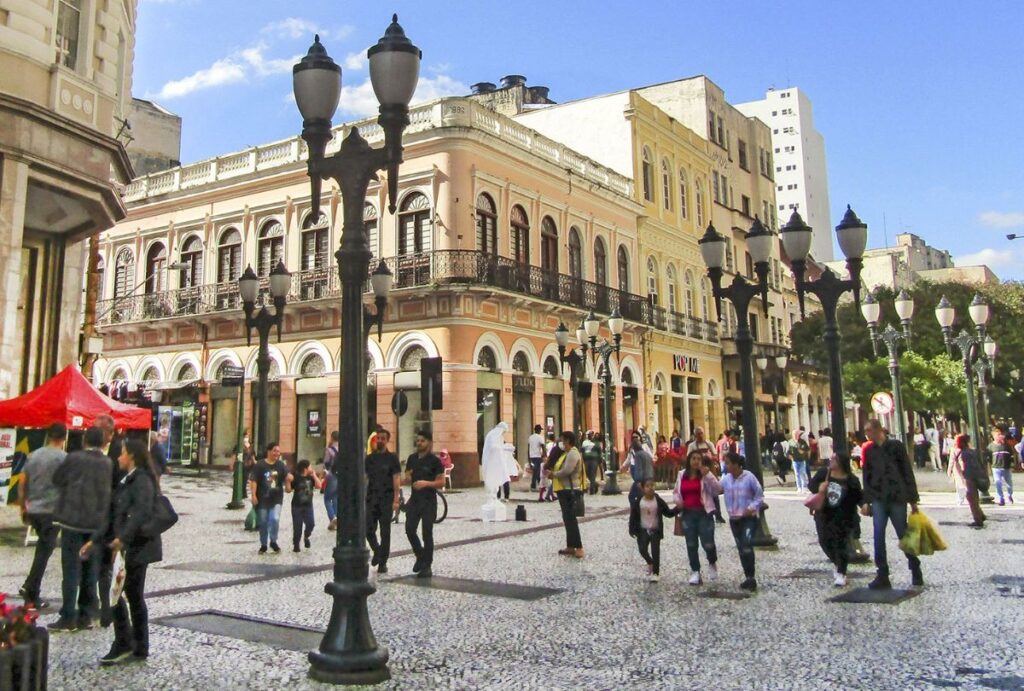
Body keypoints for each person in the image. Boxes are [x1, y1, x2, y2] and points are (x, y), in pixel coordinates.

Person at [91, 440, 161, 664]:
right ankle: (136, 645)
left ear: (131, 456)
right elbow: (115, 512)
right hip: (128, 546)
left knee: (122, 593)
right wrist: (96, 539)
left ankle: (128, 643)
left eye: (121, 453)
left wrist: (122, 540)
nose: (118, 457)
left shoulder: (141, 480)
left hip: (137, 547)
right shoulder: (128, 479)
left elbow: (139, 513)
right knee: (128, 594)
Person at [50, 426, 113, 632]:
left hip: (72, 521)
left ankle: (68, 616)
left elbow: (57, 479)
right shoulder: (107, 463)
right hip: (95, 524)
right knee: (89, 570)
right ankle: (86, 615)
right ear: (102, 442)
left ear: (85, 440)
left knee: (71, 570)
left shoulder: (74, 458)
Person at [860, 419, 922, 590]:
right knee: (878, 535)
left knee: (902, 533)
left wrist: (913, 499)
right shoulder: (869, 451)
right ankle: (882, 573)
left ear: (878, 430)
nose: (866, 434)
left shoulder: (896, 447)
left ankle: (914, 566)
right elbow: (866, 477)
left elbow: (906, 472)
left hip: (897, 497)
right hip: (879, 498)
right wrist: (866, 501)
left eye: (868, 430)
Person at [19, 422, 67, 608]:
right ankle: (31, 590)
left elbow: (22, 481)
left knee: (43, 547)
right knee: (45, 550)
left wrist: (23, 506)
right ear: (63, 438)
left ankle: (30, 587)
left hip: (34, 509)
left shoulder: (34, 455)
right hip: (52, 511)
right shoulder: (63, 458)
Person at [808, 452, 863, 587]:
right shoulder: (823, 473)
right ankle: (838, 564)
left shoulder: (851, 480)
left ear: (842, 462)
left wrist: (865, 506)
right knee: (824, 541)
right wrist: (819, 488)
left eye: (834, 458)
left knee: (841, 544)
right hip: (824, 514)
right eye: (831, 458)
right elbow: (811, 486)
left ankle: (841, 572)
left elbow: (858, 497)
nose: (831, 460)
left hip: (844, 517)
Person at [674, 450, 723, 586]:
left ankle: (712, 562)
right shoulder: (682, 475)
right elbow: (676, 492)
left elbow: (718, 490)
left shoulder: (705, 475)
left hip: (704, 513)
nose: (696, 461)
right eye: (693, 458)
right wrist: (678, 501)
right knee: (691, 544)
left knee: (708, 543)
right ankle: (695, 571)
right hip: (688, 513)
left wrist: (708, 475)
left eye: (699, 459)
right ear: (689, 460)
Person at [405, 430, 445, 578]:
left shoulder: (435, 461)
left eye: (422, 441)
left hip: (429, 501)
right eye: (418, 440)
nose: (419, 443)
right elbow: (407, 476)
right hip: (414, 500)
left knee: (427, 533)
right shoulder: (412, 458)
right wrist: (406, 477)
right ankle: (420, 556)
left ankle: (427, 566)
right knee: (409, 529)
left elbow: (441, 482)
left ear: (429, 442)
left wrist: (426, 483)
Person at [722, 452, 763, 591]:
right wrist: (706, 475)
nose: (725, 466)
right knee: (741, 548)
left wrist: (751, 508)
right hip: (734, 519)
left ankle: (751, 577)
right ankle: (748, 576)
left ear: (735, 464)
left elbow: (759, 495)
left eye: (727, 463)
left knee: (746, 544)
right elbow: (716, 489)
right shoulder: (726, 479)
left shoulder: (749, 477)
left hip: (748, 518)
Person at [365, 429, 401, 574]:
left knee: (385, 532)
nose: (380, 440)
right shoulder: (369, 459)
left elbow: (396, 478)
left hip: (387, 498)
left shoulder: (392, 458)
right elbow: (365, 478)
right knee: (368, 529)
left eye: (382, 438)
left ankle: (383, 562)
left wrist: (396, 499)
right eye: (378, 438)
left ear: (387, 440)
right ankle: (377, 551)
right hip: (371, 498)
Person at [629, 479, 677, 582]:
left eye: (652, 485)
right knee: (642, 549)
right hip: (642, 530)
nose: (650, 488)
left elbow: (668, 512)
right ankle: (650, 561)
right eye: (647, 486)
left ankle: (656, 573)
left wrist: (678, 508)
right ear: (643, 488)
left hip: (655, 530)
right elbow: (633, 516)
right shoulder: (639, 501)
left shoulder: (658, 500)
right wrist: (631, 529)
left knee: (655, 551)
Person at [248, 442, 288, 554]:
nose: (277, 453)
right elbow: (254, 480)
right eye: (274, 451)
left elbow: (287, 477)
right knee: (263, 521)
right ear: (269, 451)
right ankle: (264, 544)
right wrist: (253, 495)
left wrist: (290, 482)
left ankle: (273, 541)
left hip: (276, 498)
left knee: (274, 518)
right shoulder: (260, 465)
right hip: (262, 499)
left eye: (278, 451)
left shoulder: (281, 465)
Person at [551, 430, 585, 559]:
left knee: (571, 520)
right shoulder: (566, 453)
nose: (561, 443)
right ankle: (570, 546)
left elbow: (567, 470)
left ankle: (579, 547)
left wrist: (554, 475)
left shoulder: (573, 453)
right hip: (563, 489)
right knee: (567, 519)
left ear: (568, 441)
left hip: (570, 490)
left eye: (562, 440)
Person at [286, 459, 322, 552]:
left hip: (308, 505)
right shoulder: (295, 477)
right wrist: (288, 482)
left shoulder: (311, 477)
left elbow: (319, 486)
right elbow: (288, 490)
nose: (312, 468)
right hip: (296, 505)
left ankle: (306, 536)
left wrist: (314, 475)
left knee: (311, 524)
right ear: (305, 468)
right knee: (297, 526)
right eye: (310, 466)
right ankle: (296, 544)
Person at [953, 434, 986, 527]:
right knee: (973, 498)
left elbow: (965, 467)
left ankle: (978, 520)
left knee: (971, 498)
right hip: (977, 476)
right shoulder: (972, 451)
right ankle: (981, 515)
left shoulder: (963, 453)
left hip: (970, 478)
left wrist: (963, 477)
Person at [620, 431, 654, 505]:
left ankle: (637, 508)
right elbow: (629, 459)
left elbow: (639, 469)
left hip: (642, 478)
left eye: (636, 437)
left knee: (632, 496)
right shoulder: (644, 453)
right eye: (633, 437)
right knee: (642, 495)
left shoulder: (639, 454)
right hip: (647, 476)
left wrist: (638, 481)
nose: (634, 438)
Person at [988, 427, 1015, 506]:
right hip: (996, 468)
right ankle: (1001, 498)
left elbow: (1011, 455)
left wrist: (1012, 464)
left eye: (1000, 434)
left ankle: (1009, 495)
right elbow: (989, 457)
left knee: (1009, 484)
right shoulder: (991, 446)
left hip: (1006, 467)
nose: (1000, 436)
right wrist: (991, 465)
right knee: (998, 483)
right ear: (994, 436)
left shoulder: (1006, 445)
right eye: (998, 435)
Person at [322, 431, 340, 531]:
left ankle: (332, 517)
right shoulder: (343, 449)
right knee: (336, 497)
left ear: (332, 438)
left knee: (327, 498)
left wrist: (323, 474)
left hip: (331, 474)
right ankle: (337, 519)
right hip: (340, 475)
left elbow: (326, 463)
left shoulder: (329, 450)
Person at [581, 431, 602, 495]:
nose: (588, 436)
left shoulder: (596, 442)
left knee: (592, 474)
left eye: (589, 434)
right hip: (586, 460)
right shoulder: (584, 442)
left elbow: (599, 451)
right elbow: (582, 451)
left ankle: (591, 490)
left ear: (592, 435)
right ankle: (595, 484)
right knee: (587, 473)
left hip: (594, 460)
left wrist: (599, 460)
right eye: (587, 435)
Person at [527, 424, 546, 491]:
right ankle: (534, 486)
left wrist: (529, 458)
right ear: (538, 430)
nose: (540, 431)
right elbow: (543, 446)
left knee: (536, 471)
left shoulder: (530, 437)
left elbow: (528, 448)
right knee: (537, 471)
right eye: (540, 430)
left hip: (531, 456)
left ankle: (540, 485)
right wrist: (545, 455)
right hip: (538, 456)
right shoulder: (540, 437)